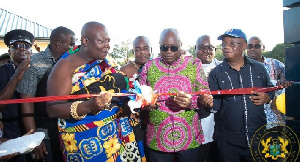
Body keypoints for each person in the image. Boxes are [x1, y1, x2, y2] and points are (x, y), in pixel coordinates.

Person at [46, 21, 141, 161]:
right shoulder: (65, 66)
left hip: (117, 137)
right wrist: (89, 106)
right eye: (101, 41)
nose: (107, 45)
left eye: (108, 41)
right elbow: (53, 109)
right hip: (86, 145)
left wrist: (133, 103)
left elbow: (117, 88)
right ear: (85, 41)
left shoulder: (107, 60)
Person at [139, 28, 213, 162]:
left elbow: (204, 94)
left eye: (173, 47)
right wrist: (147, 105)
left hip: (189, 138)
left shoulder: (193, 64)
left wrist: (191, 103)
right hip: (157, 138)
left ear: (180, 45)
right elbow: (141, 98)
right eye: (164, 48)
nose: (168, 52)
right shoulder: (149, 67)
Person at [209, 29, 275, 161]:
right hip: (228, 142)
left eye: (232, 44)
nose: (227, 47)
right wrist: (209, 103)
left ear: (244, 45)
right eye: (224, 44)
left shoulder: (259, 68)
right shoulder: (216, 73)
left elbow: (270, 89)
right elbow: (216, 105)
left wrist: (268, 97)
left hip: (257, 137)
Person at [16, 26, 76, 162]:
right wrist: (34, 138)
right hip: (45, 134)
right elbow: (27, 103)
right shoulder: (34, 64)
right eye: (71, 44)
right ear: (59, 44)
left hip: (69, 131)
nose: (74, 48)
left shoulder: (73, 63)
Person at [0, 29, 33, 162]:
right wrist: (16, 77)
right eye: (16, 46)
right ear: (9, 52)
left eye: (25, 45)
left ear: (31, 50)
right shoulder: (2, 72)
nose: (21, 49)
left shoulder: (39, 70)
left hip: (36, 129)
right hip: (11, 131)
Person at [246, 36, 292, 128]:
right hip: (252, 121)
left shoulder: (275, 64)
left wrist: (285, 81)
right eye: (250, 46)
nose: (253, 49)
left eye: (257, 46)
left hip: (275, 119)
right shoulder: (242, 67)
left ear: (263, 47)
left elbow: (290, 79)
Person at [120, 36, 152, 161]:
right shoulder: (124, 71)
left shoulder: (156, 67)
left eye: (145, 48)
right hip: (133, 123)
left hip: (154, 119)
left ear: (151, 49)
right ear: (133, 51)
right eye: (138, 49)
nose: (142, 52)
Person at [195, 35, 221, 162]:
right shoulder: (186, 69)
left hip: (219, 131)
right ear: (195, 49)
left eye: (210, 47)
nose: (206, 50)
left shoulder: (224, 68)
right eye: (202, 47)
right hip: (195, 131)